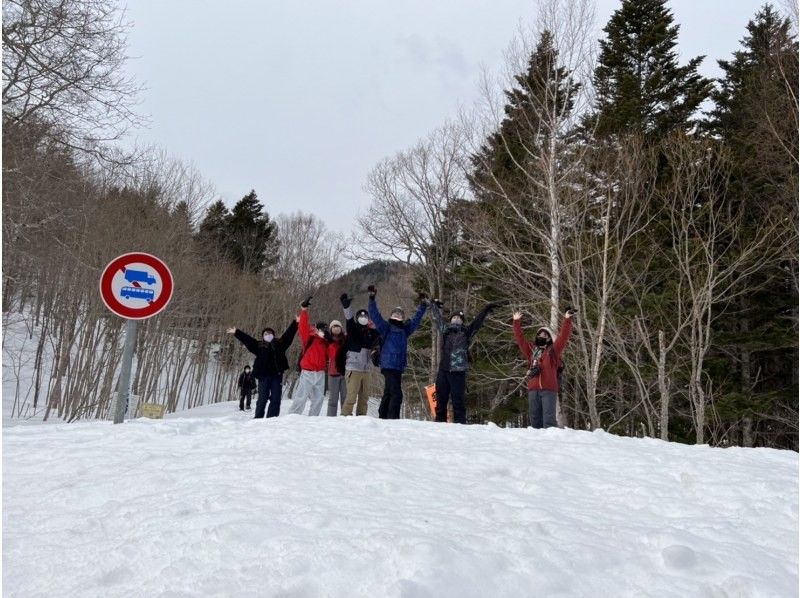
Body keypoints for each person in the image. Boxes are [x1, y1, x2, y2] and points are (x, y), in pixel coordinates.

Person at [430, 299, 508, 424]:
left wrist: (486, 309)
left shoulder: (467, 332)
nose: (456, 319)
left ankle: (460, 426)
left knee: (458, 401)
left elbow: (478, 322)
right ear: (450, 320)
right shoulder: (446, 331)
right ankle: (439, 425)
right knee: (441, 400)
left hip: (459, 372)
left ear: (462, 321)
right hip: (444, 370)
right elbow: (438, 319)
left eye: (459, 318)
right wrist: (433, 305)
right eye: (454, 317)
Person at [368, 285, 428, 419]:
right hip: (388, 365)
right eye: (395, 313)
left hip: (398, 367)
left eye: (400, 314)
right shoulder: (386, 328)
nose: (397, 315)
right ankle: (392, 419)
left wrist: (423, 305)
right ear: (391, 315)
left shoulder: (405, 330)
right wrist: (372, 299)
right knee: (397, 394)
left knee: (389, 392)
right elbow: (375, 315)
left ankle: (383, 416)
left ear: (402, 317)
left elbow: (416, 320)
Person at [513, 308, 575, 428]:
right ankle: (537, 445)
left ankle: (551, 444)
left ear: (549, 338)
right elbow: (520, 339)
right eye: (540, 334)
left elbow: (563, 337)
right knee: (535, 421)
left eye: (545, 335)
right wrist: (516, 322)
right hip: (533, 389)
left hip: (548, 389)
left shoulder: (553, 351)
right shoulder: (531, 350)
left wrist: (567, 319)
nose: (542, 336)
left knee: (548, 421)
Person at [226, 318, 298, 418]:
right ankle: (258, 419)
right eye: (265, 334)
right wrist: (237, 332)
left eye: (269, 333)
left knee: (276, 398)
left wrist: (296, 322)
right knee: (262, 398)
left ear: (273, 335)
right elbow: (248, 340)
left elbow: (289, 335)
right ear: (263, 336)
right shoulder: (258, 346)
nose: (267, 335)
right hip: (263, 377)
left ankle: (272, 419)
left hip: (277, 376)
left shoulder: (280, 344)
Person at [339, 293, 379, 416]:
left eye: (365, 315)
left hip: (366, 370)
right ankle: (345, 417)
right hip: (353, 369)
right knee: (351, 397)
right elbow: (349, 319)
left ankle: (361, 420)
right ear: (357, 318)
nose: (363, 317)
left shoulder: (371, 332)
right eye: (360, 315)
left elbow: (382, 334)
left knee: (364, 398)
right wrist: (347, 307)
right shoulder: (353, 329)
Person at [289, 296, 330, 416]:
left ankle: (313, 418)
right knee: (301, 396)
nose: (323, 331)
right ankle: (293, 416)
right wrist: (304, 309)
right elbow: (302, 326)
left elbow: (332, 353)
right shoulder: (309, 337)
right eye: (321, 329)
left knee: (319, 399)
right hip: (307, 372)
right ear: (316, 329)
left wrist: (329, 340)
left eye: (325, 329)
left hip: (320, 373)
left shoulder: (326, 342)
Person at [326, 319, 347, 416]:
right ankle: (330, 419)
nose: (336, 328)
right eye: (334, 326)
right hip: (333, 372)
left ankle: (345, 417)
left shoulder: (346, 339)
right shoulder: (327, 341)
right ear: (330, 329)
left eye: (338, 326)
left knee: (345, 398)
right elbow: (333, 354)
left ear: (341, 328)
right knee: (333, 399)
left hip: (345, 373)